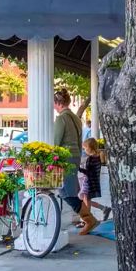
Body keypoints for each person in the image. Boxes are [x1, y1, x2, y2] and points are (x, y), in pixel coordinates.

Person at [53, 88, 98, 234]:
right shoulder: (76, 119)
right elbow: (79, 142)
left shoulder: (61, 118)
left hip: (65, 158)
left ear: (58, 103)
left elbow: (56, 141)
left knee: (65, 192)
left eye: (54, 104)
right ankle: (88, 218)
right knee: (70, 190)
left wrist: (50, 157)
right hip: (75, 157)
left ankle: (89, 219)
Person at [77, 138, 111, 228]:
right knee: (85, 200)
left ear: (90, 148)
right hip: (93, 181)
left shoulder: (91, 159)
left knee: (85, 201)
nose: (84, 150)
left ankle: (87, 221)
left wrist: (79, 168)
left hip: (89, 182)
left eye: (85, 148)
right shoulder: (97, 157)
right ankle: (104, 208)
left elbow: (89, 172)